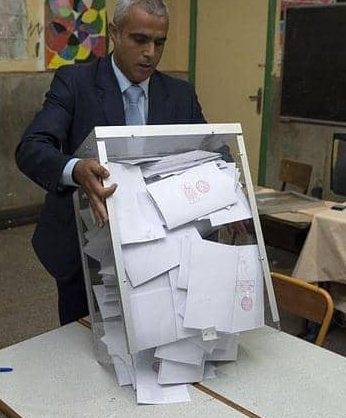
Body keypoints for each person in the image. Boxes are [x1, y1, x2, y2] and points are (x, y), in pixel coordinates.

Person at [16, 0, 206, 326]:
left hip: (160, 247)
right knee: (82, 340)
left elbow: (211, 151)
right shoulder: (75, 82)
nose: (150, 53)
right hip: (84, 246)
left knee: (153, 332)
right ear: (115, 33)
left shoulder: (180, 94)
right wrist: (75, 169)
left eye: (159, 43)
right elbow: (32, 147)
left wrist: (227, 188)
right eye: (140, 39)